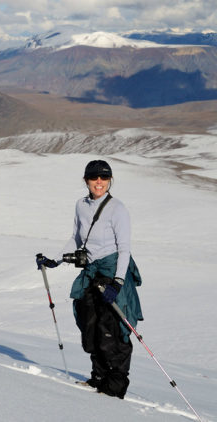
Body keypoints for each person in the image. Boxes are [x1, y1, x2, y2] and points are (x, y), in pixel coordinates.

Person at [36, 159, 143, 399]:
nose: (99, 182)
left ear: (110, 181)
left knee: (112, 329)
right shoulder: (80, 205)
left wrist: (117, 282)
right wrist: (55, 260)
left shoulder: (117, 209)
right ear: (86, 180)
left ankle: (114, 387)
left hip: (112, 270)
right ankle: (98, 378)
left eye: (104, 178)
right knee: (90, 324)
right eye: (94, 177)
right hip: (91, 272)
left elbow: (124, 249)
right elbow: (76, 238)